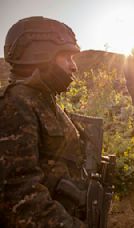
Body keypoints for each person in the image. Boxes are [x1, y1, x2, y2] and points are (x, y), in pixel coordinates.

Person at [1, 16, 86, 227]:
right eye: (66, 57)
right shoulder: (15, 103)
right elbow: (18, 197)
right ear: (41, 56)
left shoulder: (41, 98)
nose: (73, 67)